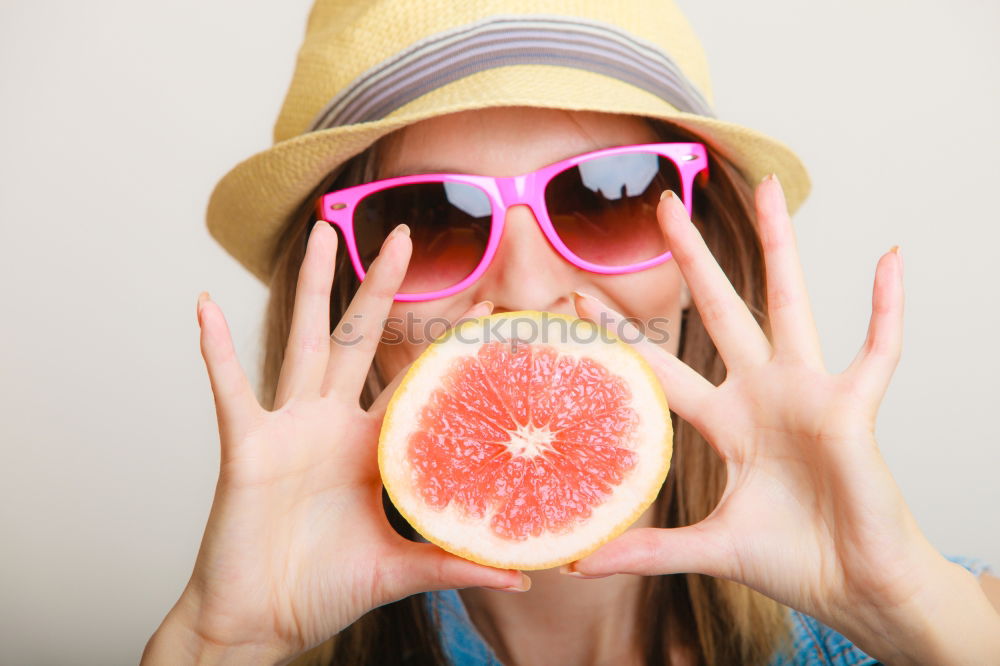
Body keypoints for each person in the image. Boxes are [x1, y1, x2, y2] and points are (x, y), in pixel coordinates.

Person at [142, 1, 1000, 664]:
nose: (528, 285)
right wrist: (217, 650)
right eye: (430, 215)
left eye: (603, 197)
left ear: (705, 250)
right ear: (335, 300)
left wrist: (912, 614)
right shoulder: (240, 647)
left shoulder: (929, 626)